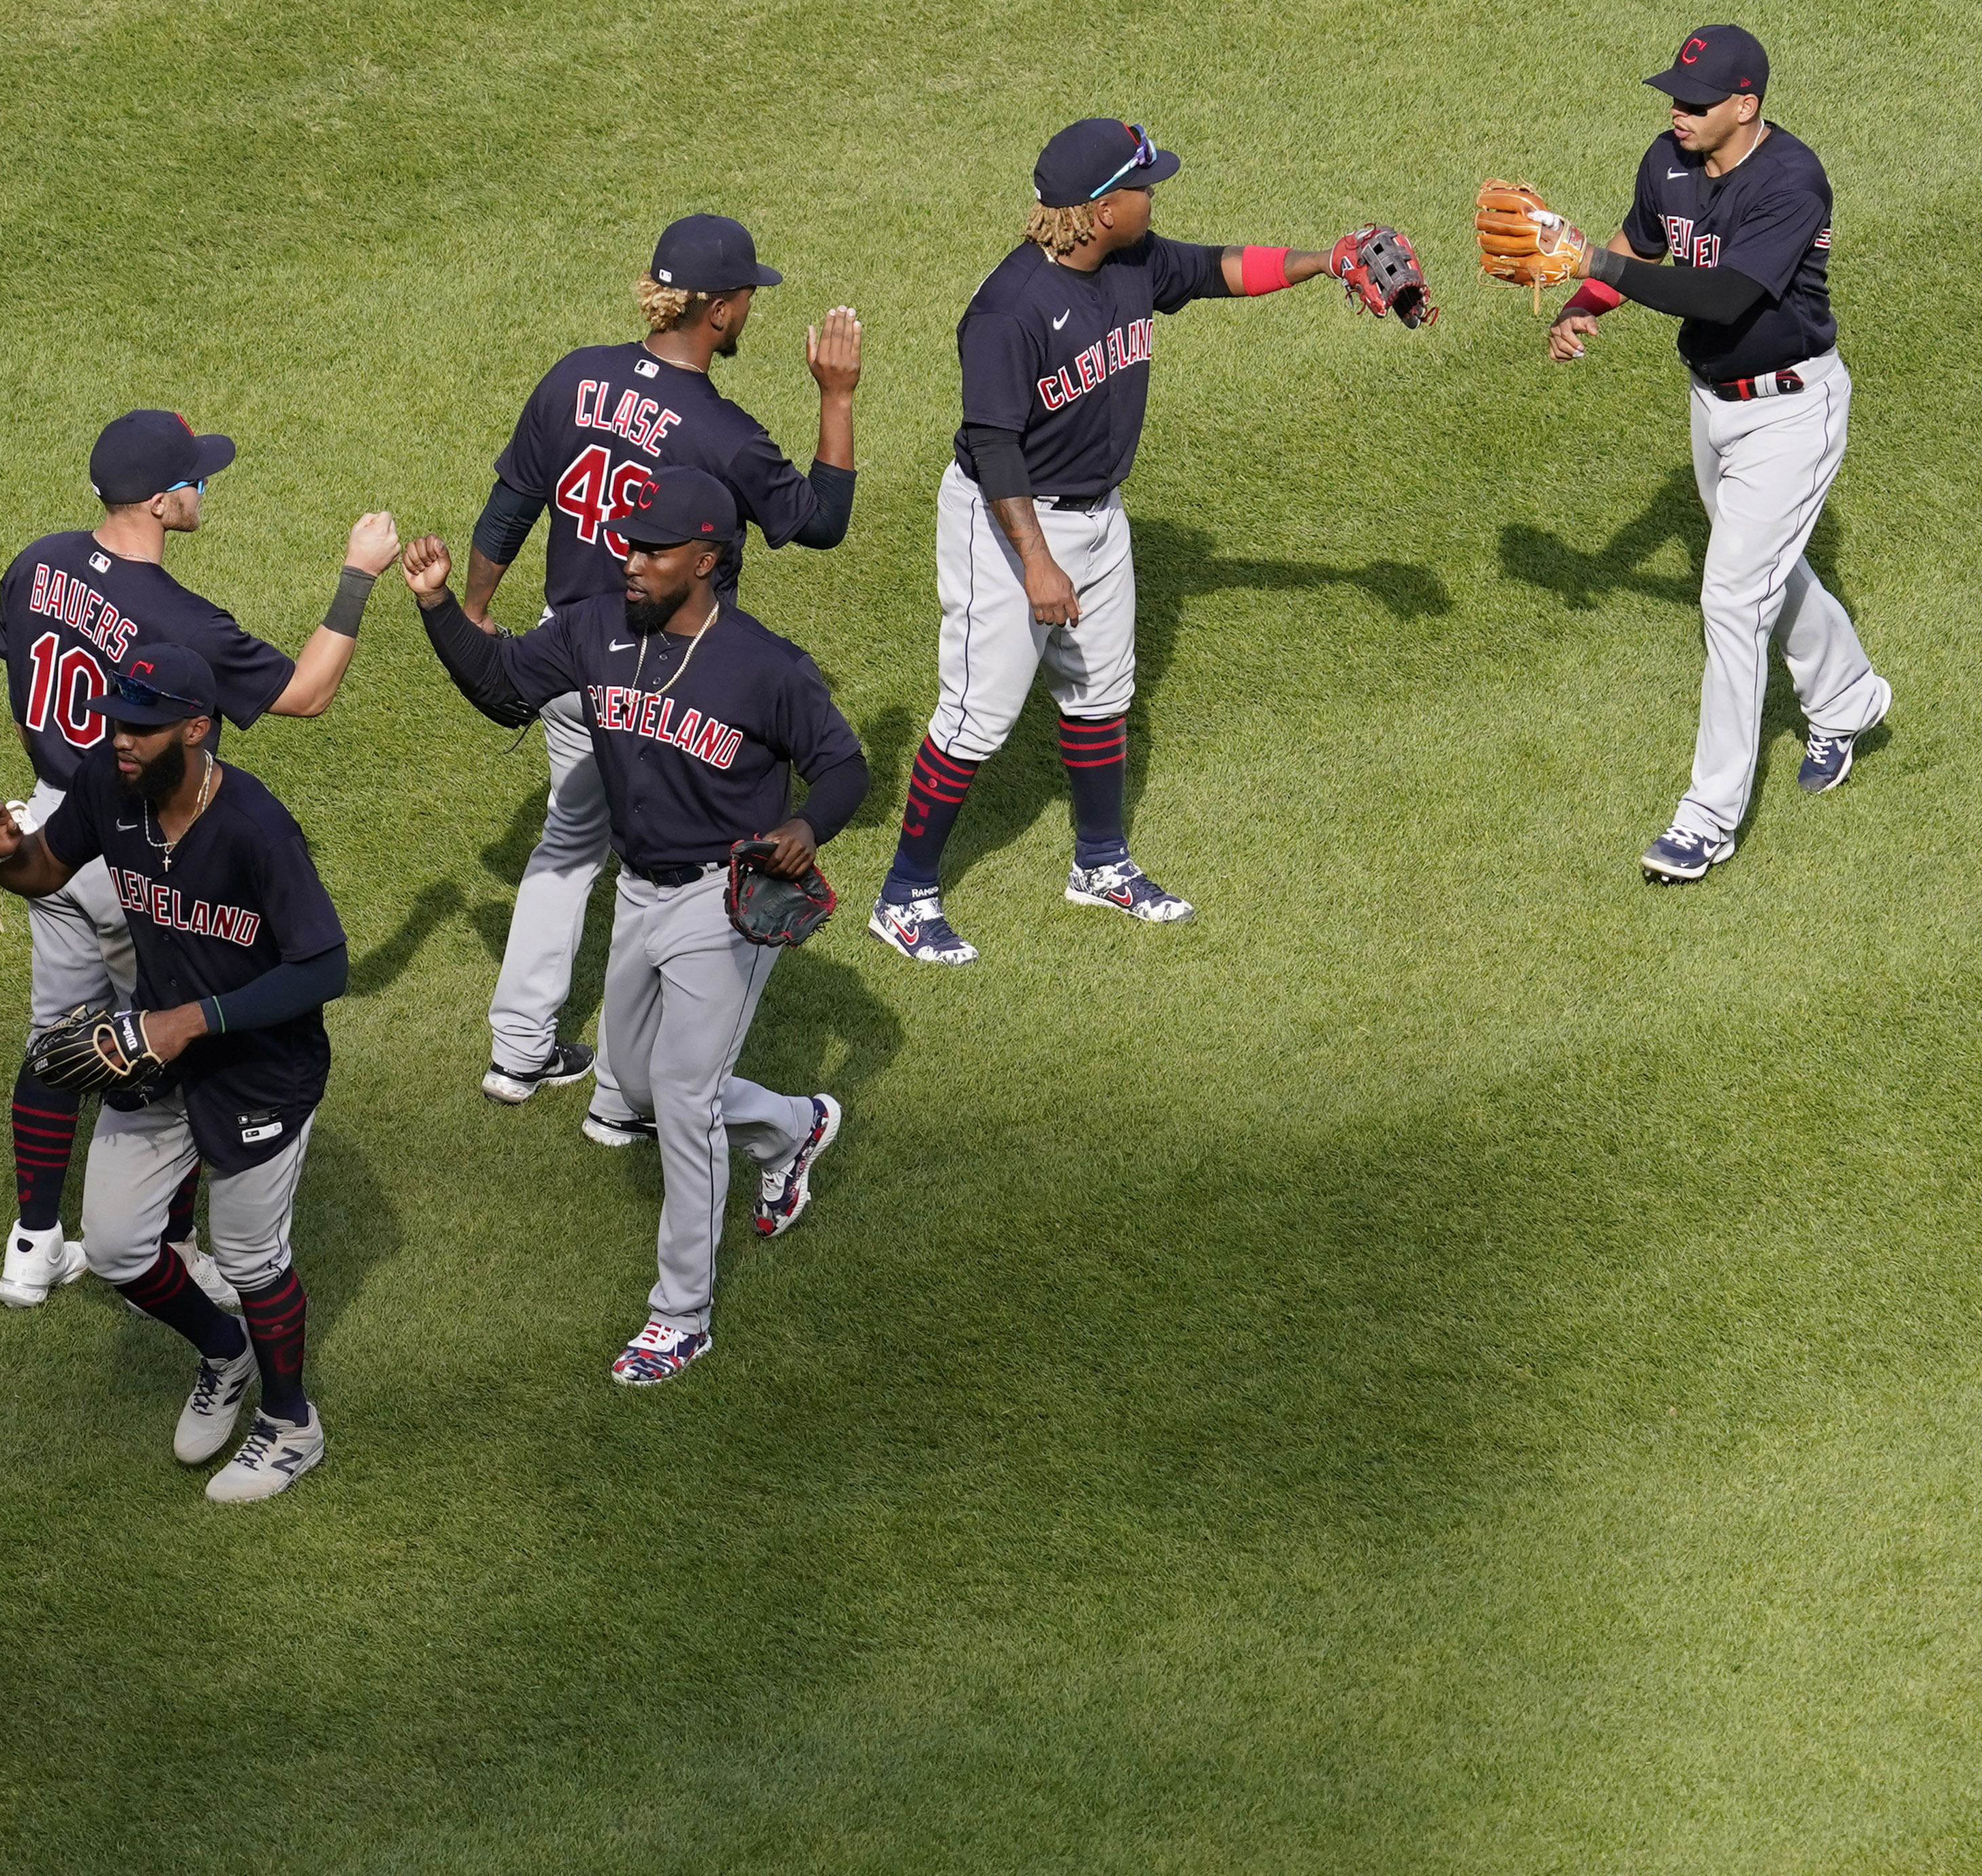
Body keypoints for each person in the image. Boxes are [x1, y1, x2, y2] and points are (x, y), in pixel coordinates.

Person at [868, 119, 1414, 960]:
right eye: (1142, 185)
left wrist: (1323, 261)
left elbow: (1216, 269)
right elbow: (993, 446)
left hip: (1097, 515)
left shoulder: (1131, 260)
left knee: (1101, 696)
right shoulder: (1006, 313)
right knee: (976, 716)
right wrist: (1037, 563)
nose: (1153, 194)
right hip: (1006, 523)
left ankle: (1099, 864)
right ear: (1097, 208)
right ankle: (904, 895)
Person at [401, 469, 867, 1385]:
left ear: (707, 559)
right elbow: (503, 692)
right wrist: (438, 607)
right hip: (639, 892)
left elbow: (841, 766)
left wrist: (807, 827)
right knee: (645, 1087)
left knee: (684, 1105)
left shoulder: (766, 667)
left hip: (723, 903)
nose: (630, 558)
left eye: (652, 549)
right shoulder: (592, 627)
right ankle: (793, 1126)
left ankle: (679, 1318)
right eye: (627, 541)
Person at [460, 215, 862, 1140]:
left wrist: (479, 612)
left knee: (569, 841)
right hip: (660, 667)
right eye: (749, 296)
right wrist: (836, 396)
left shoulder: (574, 376)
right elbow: (821, 522)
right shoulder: (722, 434)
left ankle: (521, 1048)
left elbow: (510, 502)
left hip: (569, 651)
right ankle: (633, 1092)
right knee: (671, 860)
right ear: (719, 311)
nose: (752, 305)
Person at [0, 408, 396, 1306]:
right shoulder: (178, 621)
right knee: (159, 1041)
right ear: (165, 501)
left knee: (58, 1036)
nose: (205, 490)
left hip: (50, 824)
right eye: (197, 480)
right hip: (128, 838)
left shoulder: (37, 562)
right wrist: (358, 577)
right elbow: (307, 693)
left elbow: (22, 668)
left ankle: (32, 1243)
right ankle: (168, 1240)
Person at [0, 645, 350, 1500]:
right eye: (113, 720)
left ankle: (290, 1424)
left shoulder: (255, 828)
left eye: (139, 726)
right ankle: (224, 1352)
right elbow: (45, 868)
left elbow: (324, 967)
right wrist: (2, 854)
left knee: (252, 1260)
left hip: (259, 1070)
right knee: (118, 1245)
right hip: (154, 1056)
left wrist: (194, 1019)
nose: (118, 740)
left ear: (197, 729)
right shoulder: (111, 787)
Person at [1541, 24, 1889, 880]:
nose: (1678, 111)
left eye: (1696, 102)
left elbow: (1726, 294)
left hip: (1789, 414)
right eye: (1674, 95)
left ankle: (1707, 819)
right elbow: (1643, 242)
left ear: (1747, 105)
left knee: (1732, 598)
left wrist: (1588, 261)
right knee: (1768, 566)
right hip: (1711, 404)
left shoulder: (1791, 181)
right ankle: (1849, 697)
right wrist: (1585, 300)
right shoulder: (1666, 157)